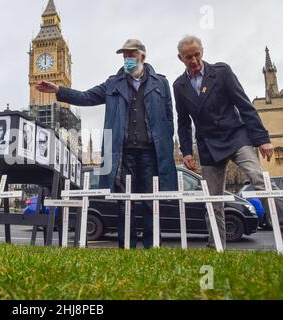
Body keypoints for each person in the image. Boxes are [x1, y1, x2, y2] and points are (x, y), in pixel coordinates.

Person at [36, 39, 178, 249]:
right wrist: (59, 90)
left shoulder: (161, 83)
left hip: (151, 152)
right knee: (124, 202)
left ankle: (151, 247)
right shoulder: (113, 83)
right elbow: (85, 97)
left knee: (151, 200)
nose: (128, 60)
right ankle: (126, 246)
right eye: (125, 56)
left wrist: (166, 141)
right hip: (122, 152)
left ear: (143, 56)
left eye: (132, 55)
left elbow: (168, 117)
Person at [174, 35, 283, 249]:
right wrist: (186, 151)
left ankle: (281, 223)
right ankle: (216, 246)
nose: (194, 60)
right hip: (208, 146)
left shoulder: (221, 72)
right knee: (213, 201)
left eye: (197, 54)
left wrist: (262, 139)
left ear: (202, 51)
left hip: (235, 136)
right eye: (189, 57)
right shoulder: (179, 85)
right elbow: (183, 121)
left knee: (258, 179)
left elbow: (244, 105)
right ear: (181, 58)